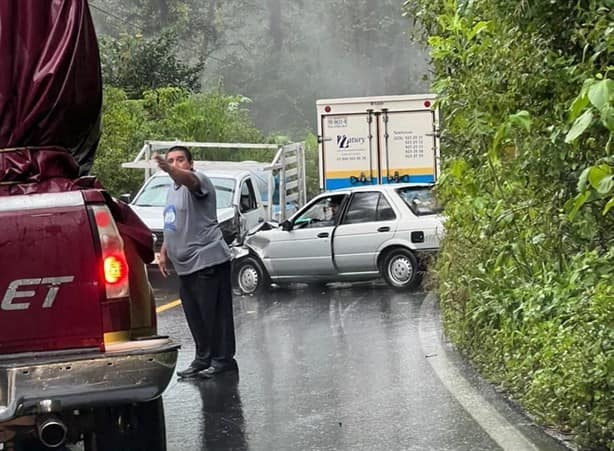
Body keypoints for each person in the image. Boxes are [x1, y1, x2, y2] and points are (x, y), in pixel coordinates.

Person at [154, 146, 237, 378]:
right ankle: (203, 359)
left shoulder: (198, 181)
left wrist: (169, 168)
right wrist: (164, 251)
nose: (175, 163)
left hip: (207, 260)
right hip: (186, 266)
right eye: (171, 160)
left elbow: (188, 180)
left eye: (180, 160)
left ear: (190, 163)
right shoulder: (172, 190)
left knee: (215, 315)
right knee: (195, 315)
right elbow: (172, 222)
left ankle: (223, 361)